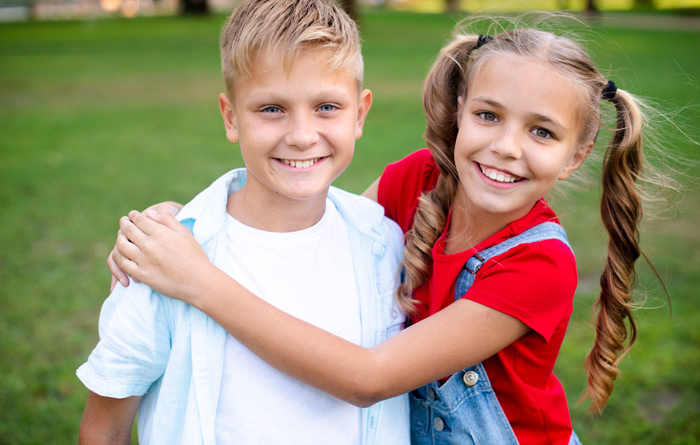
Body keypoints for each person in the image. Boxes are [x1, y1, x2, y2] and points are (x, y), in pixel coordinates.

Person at [110, 25, 663, 444]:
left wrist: (198, 279)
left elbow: (368, 378)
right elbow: (322, 222)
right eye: (489, 116)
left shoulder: (539, 266)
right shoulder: (421, 176)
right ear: (460, 113)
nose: (507, 147)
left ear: (576, 155)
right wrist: (188, 223)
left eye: (541, 131)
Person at [77, 0, 411, 444]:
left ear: (360, 113)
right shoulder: (165, 254)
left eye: (327, 107)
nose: (301, 135)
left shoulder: (383, 244)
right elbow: (105, 427)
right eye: (271, 109)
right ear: (231, 117)